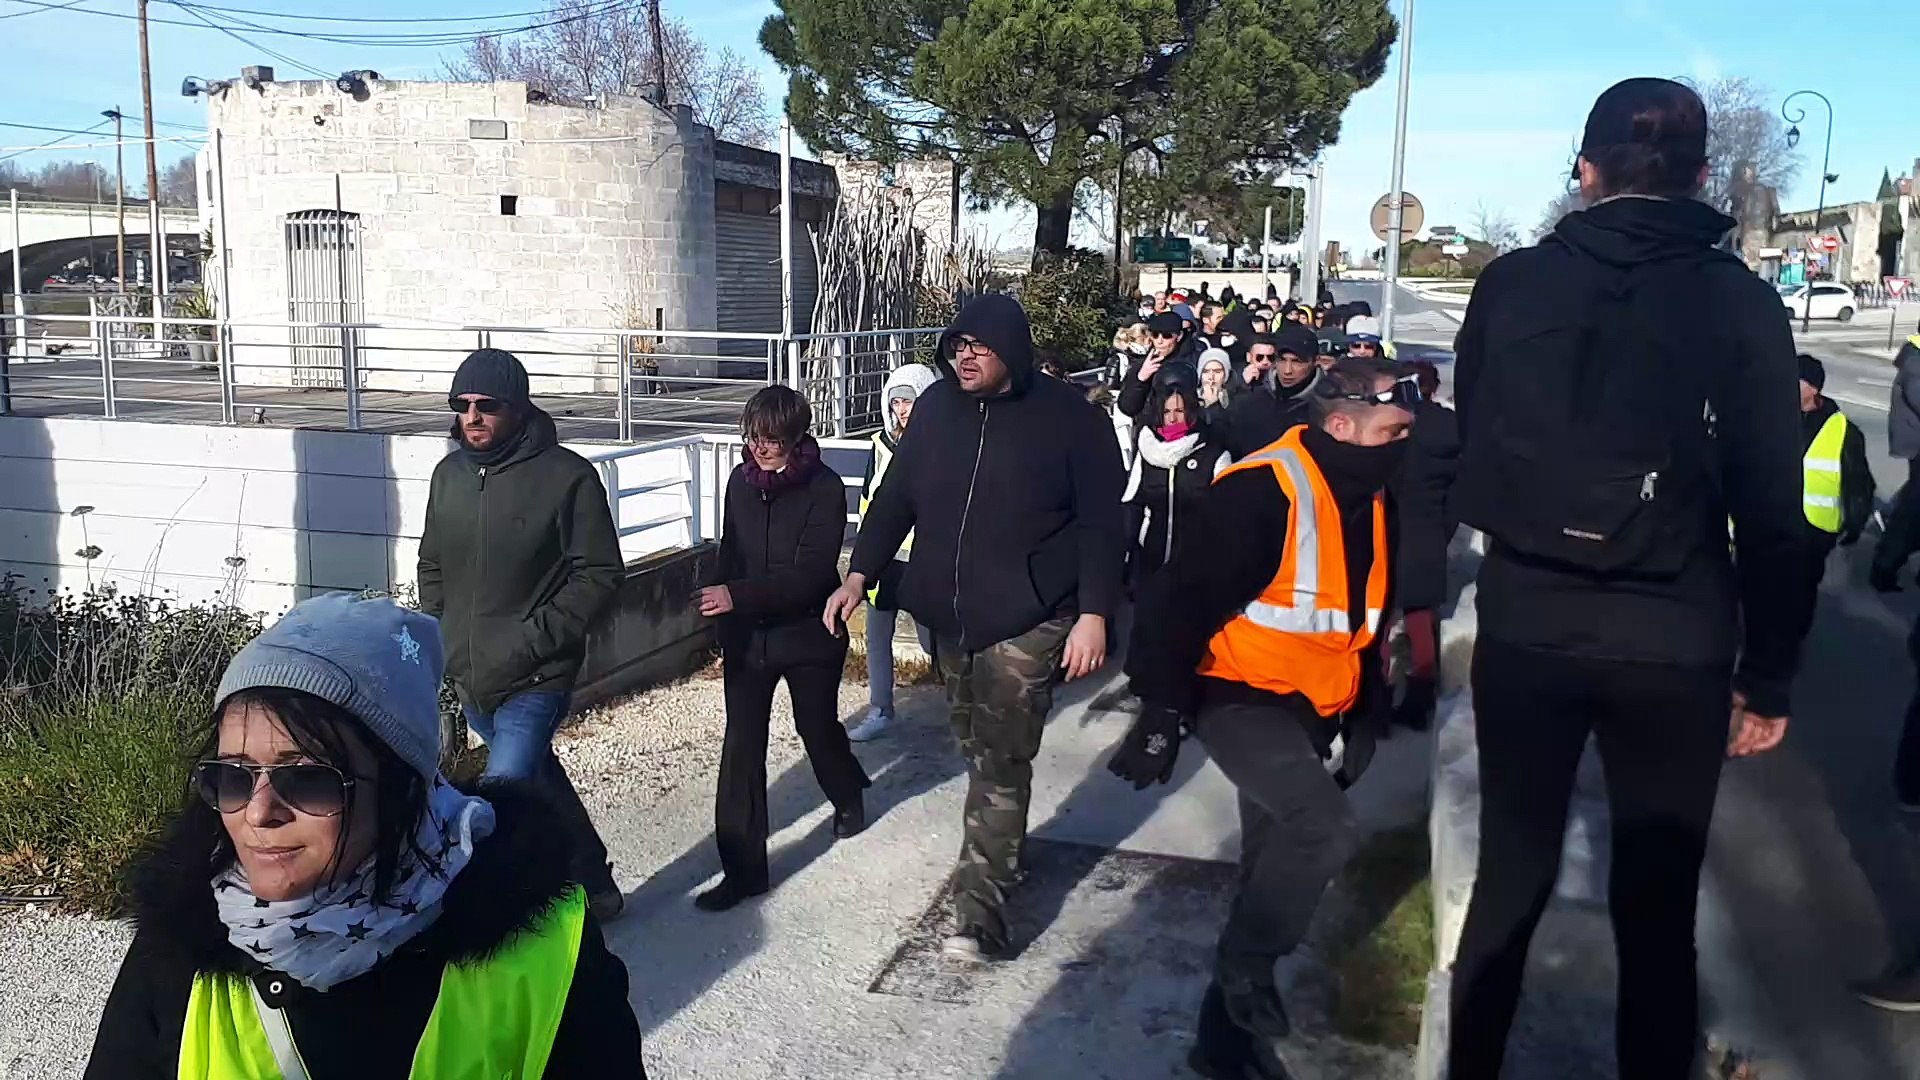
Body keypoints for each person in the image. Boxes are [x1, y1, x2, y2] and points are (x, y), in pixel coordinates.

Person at [1446, 77, 1812, 1080]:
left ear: (1584, 170)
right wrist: (1769, 671)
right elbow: (1775, 511)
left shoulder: (1513, 284)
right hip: (1676, 636)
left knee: (1509, 883)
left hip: (1529, 620)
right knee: (1657, 915)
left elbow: (1470, 441)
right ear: (1702, 178)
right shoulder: (1737, 301)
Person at [85, 595, 646, 1077]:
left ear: (403, 788)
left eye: (307, 778)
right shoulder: (183, 945)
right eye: (233, 775)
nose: (258, 813)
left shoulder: (545, 950)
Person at [1110, 357, 1419, 1079]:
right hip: (1236, 693)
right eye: (1396, 430)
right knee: (1323, 830)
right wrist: (1160, 712)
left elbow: (1358, 616)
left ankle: (1222, 1046)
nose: (1408, 443)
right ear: (1341, 424)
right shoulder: (1260, 490)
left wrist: (1365, 710)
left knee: (1268, 869)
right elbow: (1175, 601)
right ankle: (1247, 969)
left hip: (1314, 703)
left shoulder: (1370, 492)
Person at [822, 293, 1124, 963]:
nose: (963, 355)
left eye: (977, 346)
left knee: (998, 757)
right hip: (946, 617)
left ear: (1010, 350)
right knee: (974, 744)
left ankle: (980, 912)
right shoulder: (934, 412)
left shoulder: (1072, 421)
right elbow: (894, 496)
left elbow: (1105, 523)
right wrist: (856, 574)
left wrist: (1095, 612)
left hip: (1032, 617)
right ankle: (1002, 850)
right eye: (956, 345)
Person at [418, 347, 626, 920]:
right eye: (462, 405)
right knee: (541, 778)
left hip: (537, 674)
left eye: (487, 405)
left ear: (517, 407)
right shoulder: (448, 476)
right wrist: (440, 631)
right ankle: (594, 878)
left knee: (501, 795)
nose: (473, 417)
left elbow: (601, 573)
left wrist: (534, 638)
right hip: (470, 673)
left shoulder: (567, 477)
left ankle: (498, 925)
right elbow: (431, 562)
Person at [695, 386, 873, 911]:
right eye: (752, 438)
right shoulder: (739, 482)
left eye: (771, 440)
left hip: (810, 633)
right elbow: (731, 552)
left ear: (796, 438)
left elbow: (811, 574)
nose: (759, 449)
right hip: (749, 637)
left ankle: (847, 792)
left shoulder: (824, 487)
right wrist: (722, 620)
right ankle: (743, 872)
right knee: (741, 747)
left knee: (815, 728)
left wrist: (736, 595)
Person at [851, 363, 942, 742]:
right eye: (898, 401)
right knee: (877, 636)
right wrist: (864, 555)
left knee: (933, 639)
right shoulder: (878, 443)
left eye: (911, 401)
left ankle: (962, 704)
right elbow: (868, 500)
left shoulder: (941, 444)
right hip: (884, 561)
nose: (903, 409)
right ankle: (880, 708)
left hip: (923, 561)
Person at [1387, 358, 1461, 730]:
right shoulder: (1449, 428)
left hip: (1390, 528)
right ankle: (1421, 697)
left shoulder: (1391, 424)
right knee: (1420, 619)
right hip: (1429, 531)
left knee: (1381, 618)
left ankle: (1377, 702)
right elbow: (1459, 489)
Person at [1124, 381, 1233, 593]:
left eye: (1179, 411)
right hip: (1150, 565)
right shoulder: (1147, 453)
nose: (1172, 418)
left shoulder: (1214, 456)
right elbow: (1131, 505)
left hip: (1196, 568)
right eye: (1166, 411)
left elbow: (1226, 514)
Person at [1870, 322, 1920, 593]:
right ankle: (1884, 566)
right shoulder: (1915, 361)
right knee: (1911, 513)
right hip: (1918, 446)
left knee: (1912, 510)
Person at [1223, 324, 1321, 459]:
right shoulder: (1251, 403)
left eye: (1297, 362)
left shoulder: (1326, 409)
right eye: (1282, 360)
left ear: (1315, 361)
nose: (1287, 370)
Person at [1120, 310, 1202, 419]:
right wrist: (1140, 379)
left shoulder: (1195, 359)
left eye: (1166, 336)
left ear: (1179, 336)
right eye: (1155, 335)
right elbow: (1128, 407)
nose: (1159, 341)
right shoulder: (1145, 363)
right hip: (1152, 429)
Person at [1196, 349, 1233, 429]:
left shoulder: (1235, 399)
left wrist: (1214, 405)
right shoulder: (1190, 399)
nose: (1211, 377)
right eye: (1206, 371)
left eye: (1217, 371)